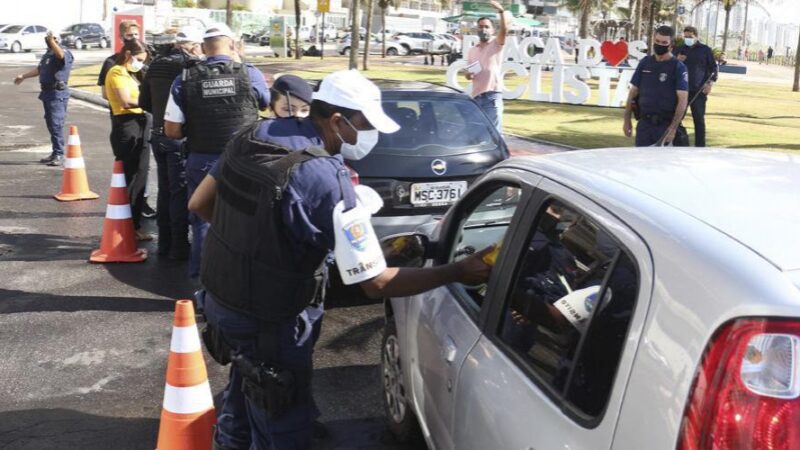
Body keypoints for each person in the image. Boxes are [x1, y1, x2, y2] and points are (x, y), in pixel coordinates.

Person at [192, 69, 493, 450]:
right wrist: (460, 270)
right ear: (336, 120)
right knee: (283, 426)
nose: (369, 137)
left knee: (242, 397)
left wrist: (255, 244)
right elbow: (377, 283)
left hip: (223, 301)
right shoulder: (323, 177)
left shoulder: (254, 135)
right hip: (271, 320)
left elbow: (200, 203)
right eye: (365, 126)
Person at [164, 23, 270, 278]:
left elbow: (172, 131)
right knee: (246, 219)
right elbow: (265, 103)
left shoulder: (185, 78)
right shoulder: (249, 73)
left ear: (203, 48)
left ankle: (203, 284)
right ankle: (241, 281)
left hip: (202, 159)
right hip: (244, 160)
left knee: (202, 222)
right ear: (232, 45)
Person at [187, 74, 314, 222]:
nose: (298, 117)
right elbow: (198, 203)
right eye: (288, 109)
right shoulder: (246, 142)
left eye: (305, 110)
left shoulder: (317, 146)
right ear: (271, 109)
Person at [139, 28, 204, 259]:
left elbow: (143, 101)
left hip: (158, 134)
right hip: (179, 136)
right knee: (178, 192)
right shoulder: (190, 66)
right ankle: (178, 246)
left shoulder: (156, 63)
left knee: (165, 189)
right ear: (193, 45)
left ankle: (165, 243)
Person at [105, 39, 152, 241]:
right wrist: (152, 103)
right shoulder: (117, 72)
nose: (141, 63)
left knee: (140, 175)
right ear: (128, 55)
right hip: (127, 126)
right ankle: (129, 227)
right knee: (131, 177)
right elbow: (125, 101)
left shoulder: (131, 74)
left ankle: (133, 224)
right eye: (139, 59)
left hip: (139, 125)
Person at [13, 32, 73, 166]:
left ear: (57, 40)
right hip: (47, 93)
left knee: (56, 124)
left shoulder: (63, 52)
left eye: (51, 39)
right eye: (47, 39)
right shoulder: (49, 54)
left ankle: (59, 154)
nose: (48, 41)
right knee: (51, 124)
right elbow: (40, 69)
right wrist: (23, 76)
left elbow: (60, 55)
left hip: (57, 93)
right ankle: (55, 152)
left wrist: (52, 41)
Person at [623, 26, 689, 147]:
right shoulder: (645, 62)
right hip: (644, 125)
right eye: (657, 41)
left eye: (664, 43)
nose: (660, 45)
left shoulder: (678, 67)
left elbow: (683, 100)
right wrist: (627, 120)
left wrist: (673, 128)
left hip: (665, 126)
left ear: (671, 45)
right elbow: (633, 92)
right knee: (642, 163)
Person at [464, 0, 509, 133]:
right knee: (477, 133)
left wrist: (501, 11)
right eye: (480, 26)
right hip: (476, 97)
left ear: (492, 30)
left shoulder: (496, 44)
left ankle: (498, 154)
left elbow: (504, 30)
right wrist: (468, 74)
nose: (483, 29)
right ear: (477, 29)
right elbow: (469, 73)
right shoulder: (472, 50)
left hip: (492, 96)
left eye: (486, 27)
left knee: (494, 133)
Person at [675, 26, 718, 147]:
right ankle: (680, 142)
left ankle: (700, 147)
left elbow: (713, 68)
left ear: (696, 36)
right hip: (681, 91)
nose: (687, 39)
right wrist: (677, 60)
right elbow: (669, 66)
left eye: (690, 37)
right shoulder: (679, 49)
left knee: (699, 120)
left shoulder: (705, 50)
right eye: (686, 37)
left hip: (698, 91)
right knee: (676, 119)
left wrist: (710, 84)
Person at [98, 20, 141, 100]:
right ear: (121, 37)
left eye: (136, 34)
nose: (134, 38)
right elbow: (105, 94)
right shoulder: (111, 62)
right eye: (129, 35)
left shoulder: (144, 60)